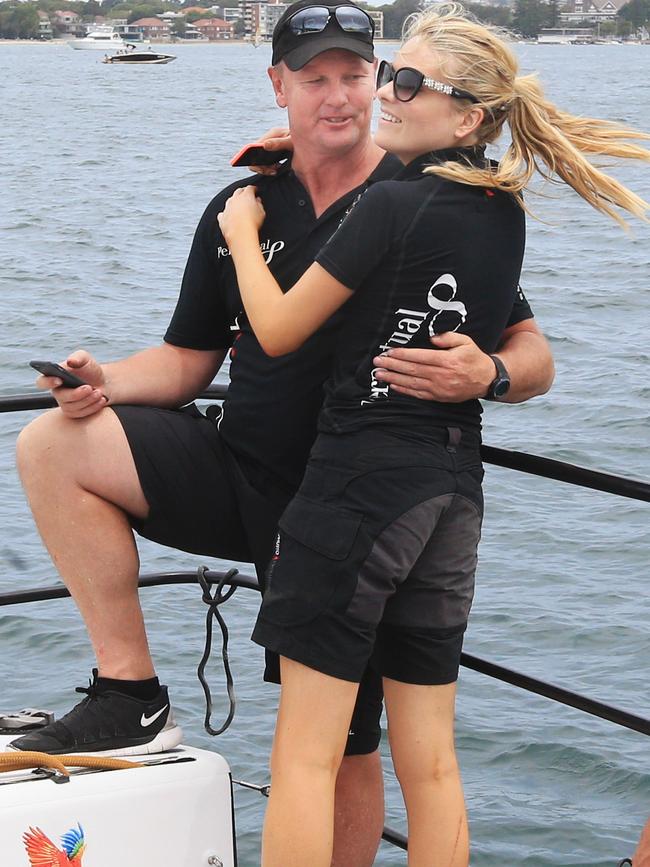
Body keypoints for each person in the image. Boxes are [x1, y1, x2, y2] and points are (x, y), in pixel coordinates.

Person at [10, 3, 555, 864]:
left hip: (348, 502)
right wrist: (107, 381)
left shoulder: (417, 195)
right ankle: (130, 690)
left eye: (360, 75)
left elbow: (530, 350)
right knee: (51, 443)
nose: (341, 97)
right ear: (280, 85)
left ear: (381, 84)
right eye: (316, 79)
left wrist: (487, 373)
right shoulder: (248, 201)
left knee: (340, 748)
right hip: (256, 469)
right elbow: (191, 359)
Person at [217, 5, 650, 866]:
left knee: (305, 756)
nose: (385, 91)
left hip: (355, 488)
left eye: (408, 83)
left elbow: (275, 330)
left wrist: (239, 233)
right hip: (451, 495)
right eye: (390, 74)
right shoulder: (502, 210)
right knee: (435, 763)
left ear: (468, 115)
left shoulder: (393, 208)